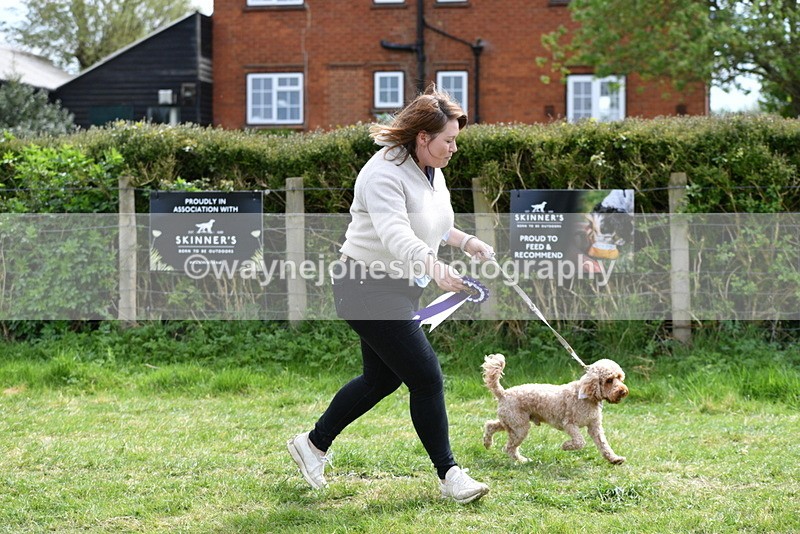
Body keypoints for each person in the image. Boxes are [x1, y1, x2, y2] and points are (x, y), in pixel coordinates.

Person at [287, 85, 495, 504]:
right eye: (448, 140)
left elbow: (430, 225)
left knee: (380, 379)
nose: (454, 148)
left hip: (399, 287)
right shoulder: (383, 172)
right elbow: (396, 232)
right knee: (426, 377)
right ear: (423, 137)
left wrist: (465, 241)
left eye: (455, 140)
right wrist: (435, 267)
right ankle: (450, 474)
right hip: (365, 286)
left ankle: (312, 445)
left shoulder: (430, 168)